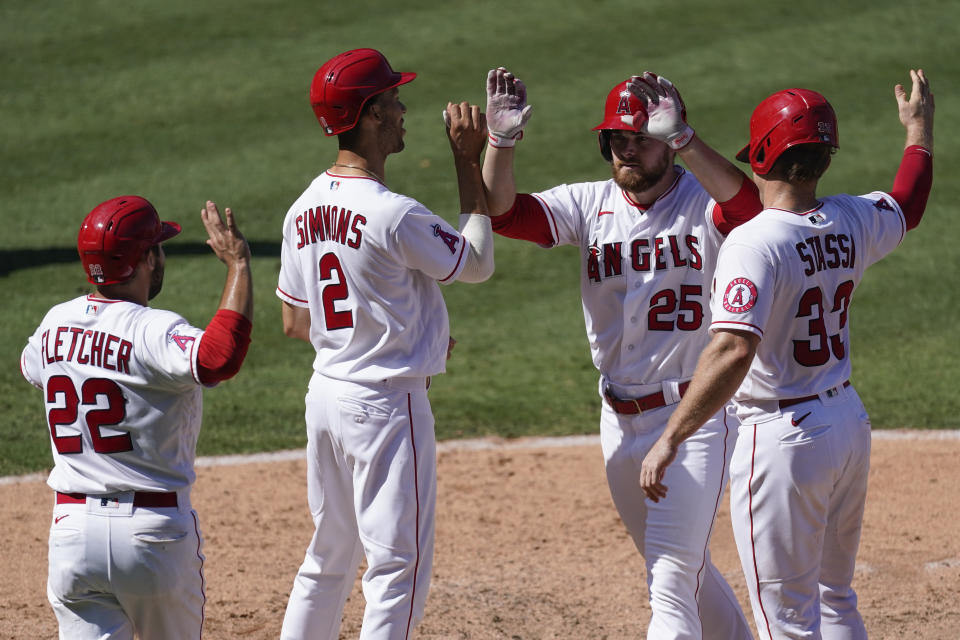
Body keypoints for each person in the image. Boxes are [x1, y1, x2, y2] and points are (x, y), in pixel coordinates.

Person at [640, 70, 935, 638]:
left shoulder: (754, 242)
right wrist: (918, 128)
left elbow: (730, 351)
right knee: (834, 596)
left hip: (783, 440)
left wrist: (671, 435)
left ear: (765, 155)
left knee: (787, 621)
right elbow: (909, 203)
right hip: (847, 421)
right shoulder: (851, 218)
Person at [482, 68, 761, 639]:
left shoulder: (704, 204)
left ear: (671, 138)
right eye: (618, 138)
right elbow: (504, 213)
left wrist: (685, 138)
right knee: (682, 571)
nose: (627, 149)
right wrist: (500, 144)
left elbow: (750, 209)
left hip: (694, 416)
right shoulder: (589, 205)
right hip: (618, 419)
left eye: (642, 136)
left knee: (669, 580)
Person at [276, 48, 494, 640]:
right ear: (370, 114)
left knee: (327, 559)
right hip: (384, 406)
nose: (404, 109)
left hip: (326, 395)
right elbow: (474, 265)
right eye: (393, 100)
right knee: (398, 568)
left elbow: (296, 321)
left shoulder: (301, 210)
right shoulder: (392, 213)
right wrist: (467, 161)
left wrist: (407, 329)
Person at [20, 196, 253, 639]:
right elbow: (219, 358)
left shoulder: (53, 324)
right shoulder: (154, 330)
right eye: (158, 248)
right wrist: (238, 264)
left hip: (73, 536)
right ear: (146, 259)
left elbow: (30, 367)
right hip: (151, 539)